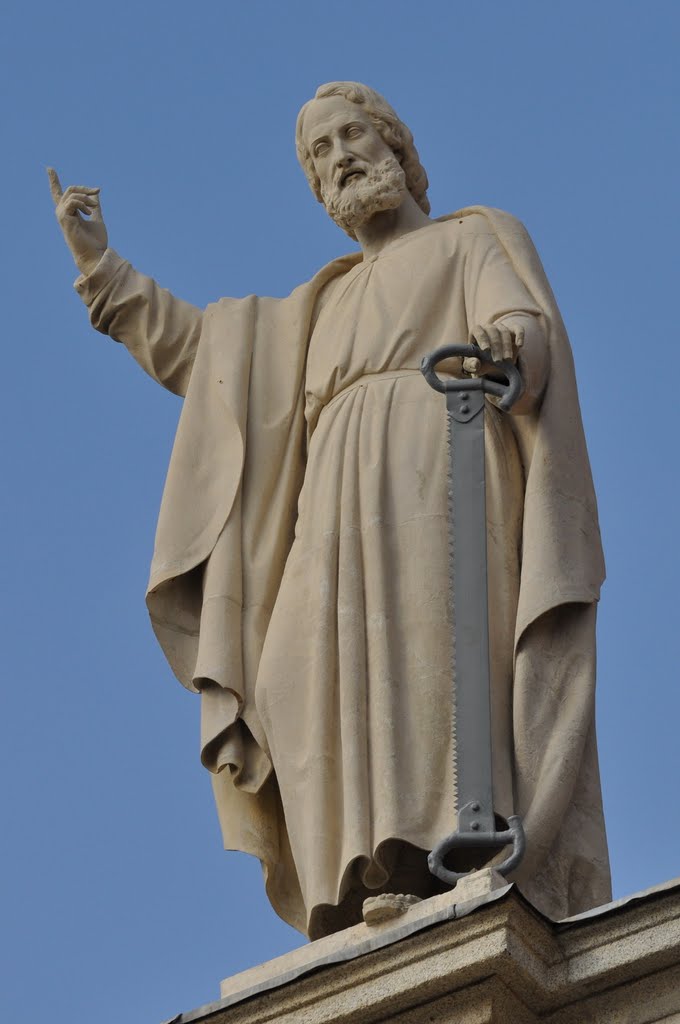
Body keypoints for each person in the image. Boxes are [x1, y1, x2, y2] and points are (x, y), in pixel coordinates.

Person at [49, 81, 611, 940]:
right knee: (298, 675)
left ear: (397, 149)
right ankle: (361, 876)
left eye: (353, 135)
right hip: (332, 502)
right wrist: (104, 267)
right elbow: (205, 359)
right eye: (320, 152)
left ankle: (440, 860)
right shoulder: (315, 306)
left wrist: (508, 345)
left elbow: (522, 329)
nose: (339, 156)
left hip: (440, 465)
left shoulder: (469, 238)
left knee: (430, 660)